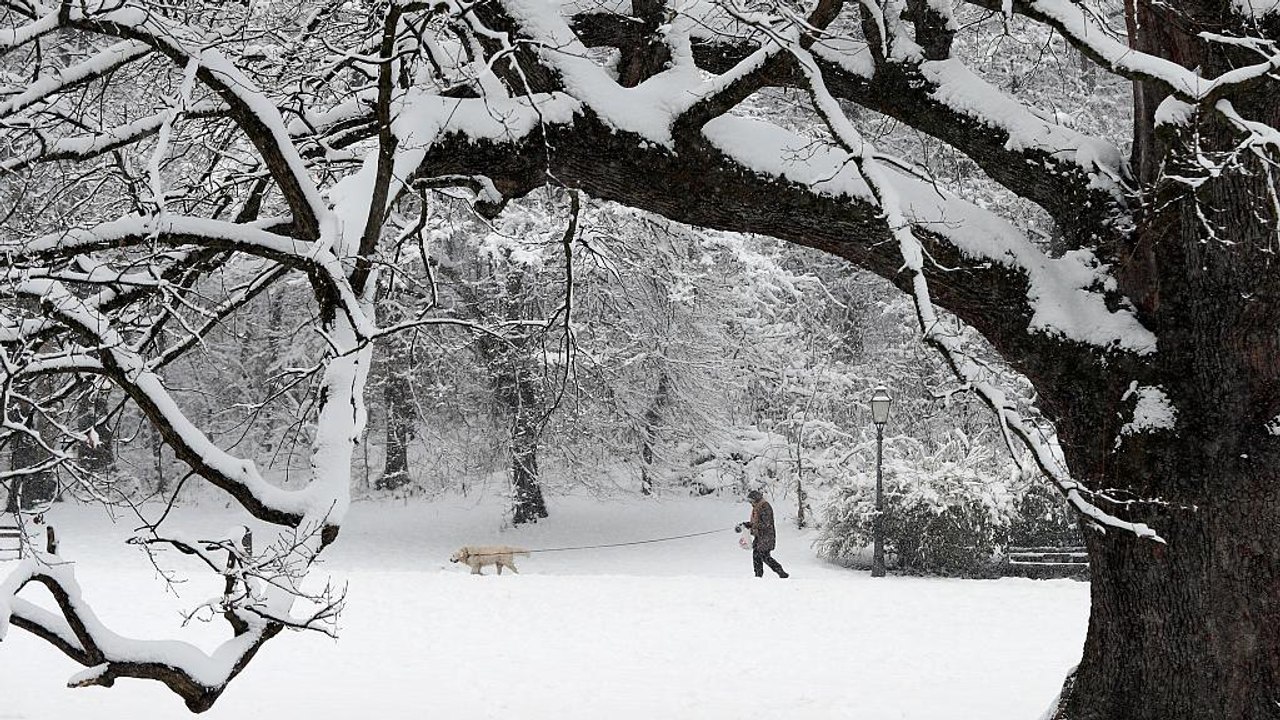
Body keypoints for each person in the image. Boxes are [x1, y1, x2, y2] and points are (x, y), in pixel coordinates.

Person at [736, 489, 789, 578]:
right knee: (757, 555)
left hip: (766, 536)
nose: (750, 503)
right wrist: (746, 524)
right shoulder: (757, 507)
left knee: (764, 556)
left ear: (756, 499)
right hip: (760, 537)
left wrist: (751, 525)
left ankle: (781, 572)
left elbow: (766, 524)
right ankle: (758, 576)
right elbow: (757, 523)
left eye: (751, 501)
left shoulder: (765, 507)